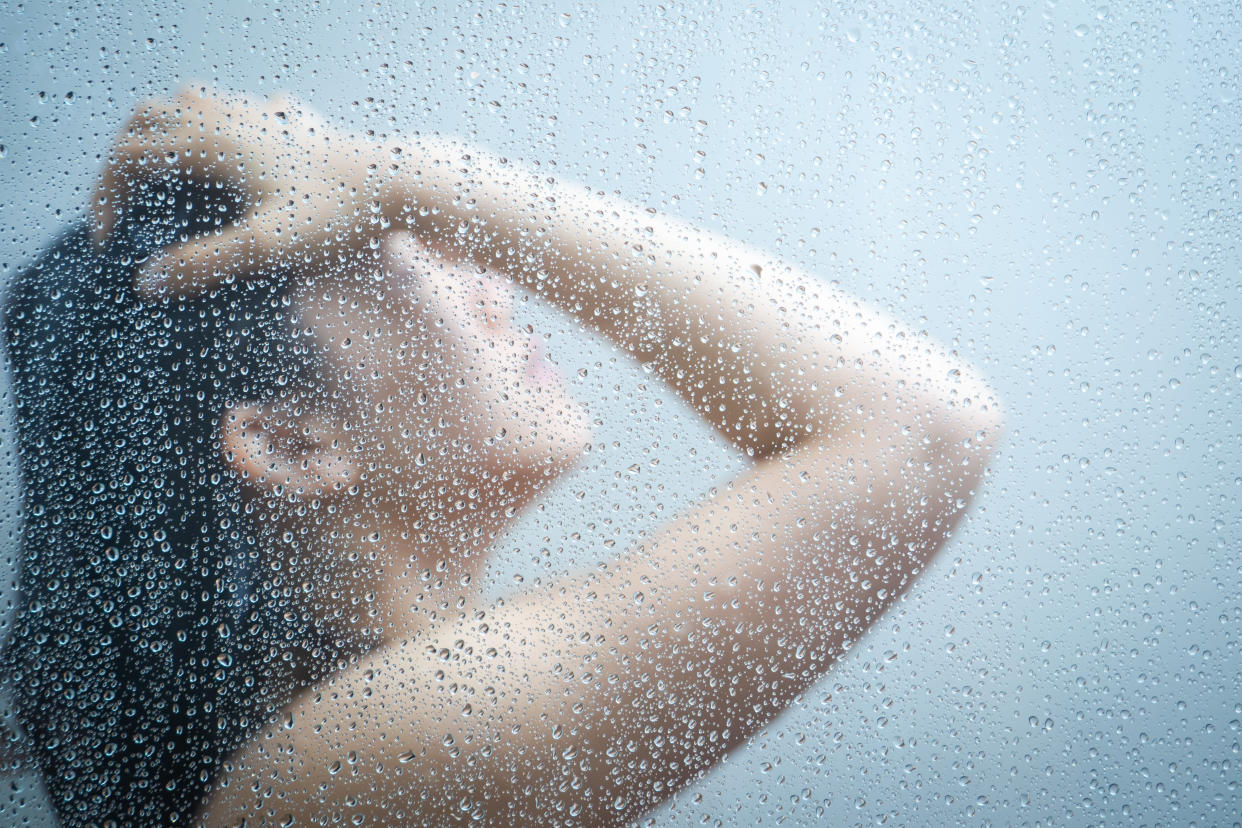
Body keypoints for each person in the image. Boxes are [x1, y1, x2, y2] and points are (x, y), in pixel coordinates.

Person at [6, 87, 1004, 827]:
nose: (495, 286)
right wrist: (396, 173)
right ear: (289, 440)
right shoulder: (354, 761)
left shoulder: (327, 756)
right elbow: (922, 425)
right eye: (404, 246)